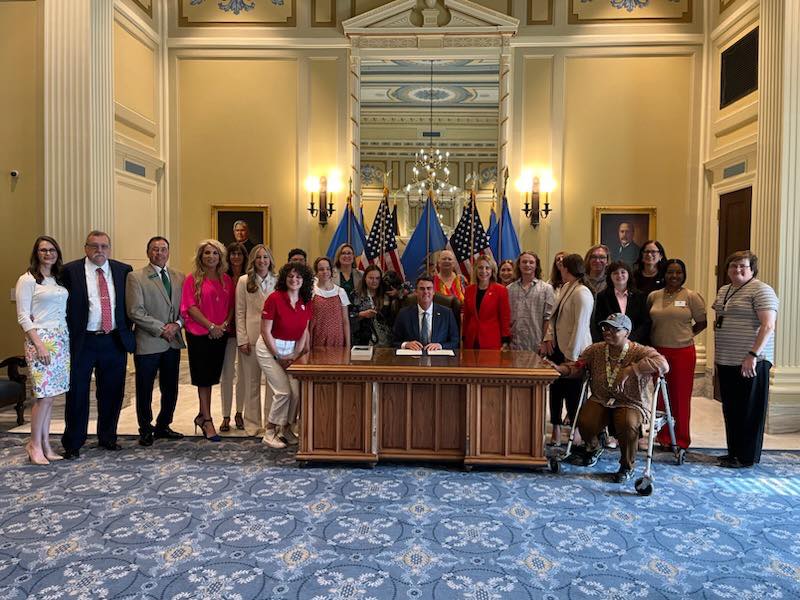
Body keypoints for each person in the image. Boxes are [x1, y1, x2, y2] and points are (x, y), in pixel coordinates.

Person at [553, 313, 669, 483]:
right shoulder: (595, 350)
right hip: (601, 398)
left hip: (630, 401)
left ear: (627, 333)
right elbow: (578, 367)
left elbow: (663, 364)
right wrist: (560, 369)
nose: (608, 332)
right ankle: (594, 446)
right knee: (585, 421)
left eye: (614, 329)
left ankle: (626, 466)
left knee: (628, 424)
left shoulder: (640, 351)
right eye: (606, 328)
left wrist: (632, 370)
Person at [61, 231, 135, 459]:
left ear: (110, 248)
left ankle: (108, 437)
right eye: (94, 246)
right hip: (84, 341)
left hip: (113, 339)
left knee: (112, 392)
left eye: (104, 246)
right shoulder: (70, 271)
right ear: (85, 248)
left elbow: (129, 304)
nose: (99, 250)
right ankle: (73, 443)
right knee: (77, 392)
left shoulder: (123, 271)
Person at [712, 250, 778, 468]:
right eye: (733, 266)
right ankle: (734, 453)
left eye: (742, 266)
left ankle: (747, 457)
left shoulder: (762, 290)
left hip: (751, 361)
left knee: (749, 410)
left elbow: (768, 325)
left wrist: (752, 355)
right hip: (727, 359)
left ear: (752, 269)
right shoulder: (725, 290)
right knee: (731, 409)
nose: (737, 269)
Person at [125, 236, 185, 447]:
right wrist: (162, 329)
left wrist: (177, 324)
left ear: (169, 252)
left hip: (172, 342)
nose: (159, 253)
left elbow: (185, 308)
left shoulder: (179, 277)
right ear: (148, 252)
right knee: (145, 388)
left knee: (171, 387)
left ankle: (163, 425)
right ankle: (145, 428)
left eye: (163, 249)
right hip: (149, 341)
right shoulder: (136, 277)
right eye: (155, 249)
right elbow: (135, 311)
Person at [15, 236, 70, 464]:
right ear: (36, 253)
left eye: (52, 250)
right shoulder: (27, 280)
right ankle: (33, 444)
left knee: (51, 397)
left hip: (60, 339)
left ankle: (46, 443)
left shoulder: (57, 279)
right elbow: (22, 316)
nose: (48, 254)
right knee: (42, 396)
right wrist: (38, 344)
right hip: (40, 340)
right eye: (43, 250)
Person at [648, 258, 706, 450]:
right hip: (659, 352)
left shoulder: (691, 296)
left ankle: (681, 440)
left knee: (680, 397)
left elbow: (701, 322)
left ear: (684, 274)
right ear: (663, 274)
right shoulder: (654, 296)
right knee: (661, 397)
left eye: (678, 272)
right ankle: (663, 437)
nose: (674, 276)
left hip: (683, 352)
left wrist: (685, 335)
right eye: (670, 272)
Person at [180, 239, 235, 442]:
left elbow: (231, 306)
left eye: (215, 253)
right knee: (203, 379)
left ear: (220, 257)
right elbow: (190, 307)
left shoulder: (226, 280)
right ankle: (207, 419)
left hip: (220, 334)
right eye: (206, 253)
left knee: (212, 378)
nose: (211, 257)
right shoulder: (191, 279)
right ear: (200, 256)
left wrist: (223, 325)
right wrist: (211, 326)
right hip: (199, 334)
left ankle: (202, 416)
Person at [256, 262, 314, 449]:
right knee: (283, 391)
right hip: (269, 347)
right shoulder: (274, 298)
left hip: (292, 349)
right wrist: (278, 357)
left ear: (304, 280)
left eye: (298, 277)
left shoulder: (306, 301)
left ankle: (286, 429)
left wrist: (296, 353)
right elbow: (265, 331)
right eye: (290, 276)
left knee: (296, 392)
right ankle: (270, 431)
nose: (294, 280)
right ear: (284, 278)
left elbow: (304, 331)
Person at [547, 253, 594, 446]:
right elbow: (554, 316)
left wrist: (572, 357)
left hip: (575, 351)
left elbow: (580, 326)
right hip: (560, 347)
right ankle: (556, 428)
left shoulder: (582, 292)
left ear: (568, 268)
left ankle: (576, 430)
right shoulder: (566, 287)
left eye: (562, 265)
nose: (559, 268)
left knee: (574, 394)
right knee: (556, 389)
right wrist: (549, 338)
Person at [235, 244, 276, 436]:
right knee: (251, 381)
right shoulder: (244, 281)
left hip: (273, 338)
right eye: (258, 257)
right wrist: (241, 338)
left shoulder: (278, 281)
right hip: (251, 337)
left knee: (272, 383)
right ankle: (252, 423)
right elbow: (240, 311)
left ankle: (271, 422)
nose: (262, 261)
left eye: (265, 257)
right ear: (253, 260)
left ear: (270, 260)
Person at [220, 242, 248, 432]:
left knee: (244, 376)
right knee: (227, 375)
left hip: (246, 331)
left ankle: (239, 413)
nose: (236, 257)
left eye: (239, 253)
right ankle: (225, 415)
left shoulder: (249, 278)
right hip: (227, 331)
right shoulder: (223, 278)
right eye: (233, 253)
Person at [393, 276, 460, 351]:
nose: (425, 292)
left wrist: (440, 346)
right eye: (422, 289)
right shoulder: (404, 314)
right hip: (412, 358)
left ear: (433, 292)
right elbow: (394, 341)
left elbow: (455, 341)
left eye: (429, 288)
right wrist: (406, 344)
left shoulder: (447, 313)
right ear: (416, 292)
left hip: (439, 359)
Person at [591, 261, 650, 344]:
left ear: (628, 274)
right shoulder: (602, 296)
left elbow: (645, 322)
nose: (619, 275)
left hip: (635, 343)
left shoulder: (640, 296)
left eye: (623, 272)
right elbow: (599, 321)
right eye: (615, 273)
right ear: (610, 276)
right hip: (610, 343)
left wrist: (630, 339)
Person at [506, 252, 554, 352]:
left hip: (535, 344)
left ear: (536, 266)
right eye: (524, 262)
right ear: (519, 265)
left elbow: (548, 318)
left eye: (531, 262)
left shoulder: (546, 289)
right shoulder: (509, 289)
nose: (527, 265)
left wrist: (544, 342)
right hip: (514, 344)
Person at [461, 255, 511, 351]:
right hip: (471, 339)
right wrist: (464, 336)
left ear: (492, 271)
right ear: (476, 270)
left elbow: (505, 317)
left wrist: (505, 340)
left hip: (491, 340)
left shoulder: (501, 290)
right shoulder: (469, 290)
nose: (483, 271)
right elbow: (467, 317)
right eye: (480, 268)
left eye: (487, 268)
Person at [310, 256, 350, 348]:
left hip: (337, 339)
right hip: (317, 338)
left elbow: (345, 321)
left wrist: (348, 345)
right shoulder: (312, 292)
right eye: (321, 269)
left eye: (328, 269)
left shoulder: (341, 292)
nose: (325, 272)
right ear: (316, 272)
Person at [350, 264, 393, 347]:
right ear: (365, 278)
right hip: (363, 340)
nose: (374, 281)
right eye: (371, 278)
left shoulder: (386, 293)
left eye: (377, 278)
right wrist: (362, 314)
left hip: (386, 340)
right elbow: (348, 315)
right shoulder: (356, 294)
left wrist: (398, 293)